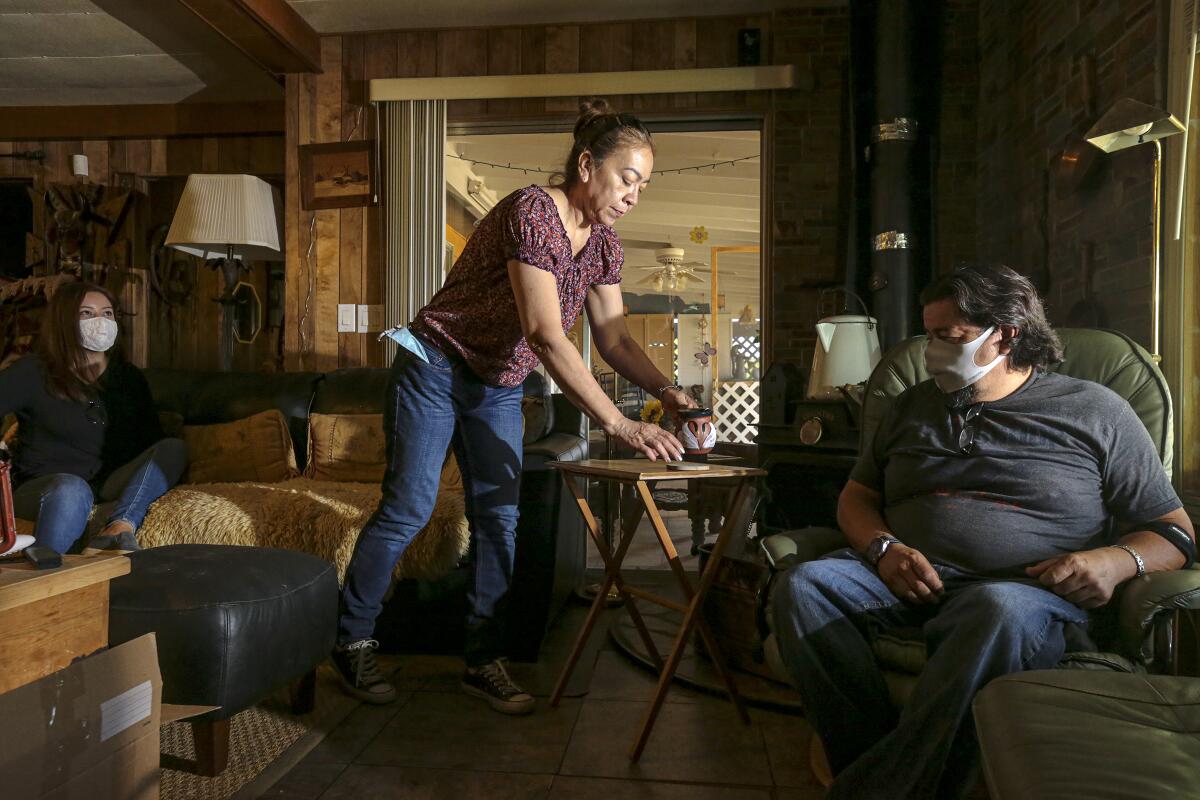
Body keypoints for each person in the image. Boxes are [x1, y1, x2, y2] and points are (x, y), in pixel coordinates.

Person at [772, 264, 1195, 799]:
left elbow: (1176, 535)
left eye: (952, 338)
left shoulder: (1096, 411)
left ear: (1007, 334)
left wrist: (1115, 562)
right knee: (803, 588)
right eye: (929, 336)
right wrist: (883, 549)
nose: (932, 352)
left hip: (1023, 593)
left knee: (996, 608)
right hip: (903, 578)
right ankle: (886, 766)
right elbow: (858, 497)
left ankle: (873, 789)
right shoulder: (911, 406)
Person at [333, 99, 697, 714]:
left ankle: (483, 660)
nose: (635, 195)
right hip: (434, 361)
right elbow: (546, 333)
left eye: (645, 185)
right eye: (628, 178)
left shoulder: (605, 244)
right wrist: (617, 420)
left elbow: (615, 340)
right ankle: (353, 641)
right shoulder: (533, 211)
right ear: (587, 164)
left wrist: (666, 392)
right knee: (410, 506)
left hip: (497, 383)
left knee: (500, 519)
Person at [0, 282, 187, 555]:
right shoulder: (33, 372)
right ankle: (44, 575)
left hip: (109, 481)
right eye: (87, 313)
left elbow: (151, 444)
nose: (100, 321)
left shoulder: (129, 378)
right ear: (64, 322)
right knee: (72, 489)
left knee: (173, 447)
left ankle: (119, 526)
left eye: (107, 313)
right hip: (45, 485)